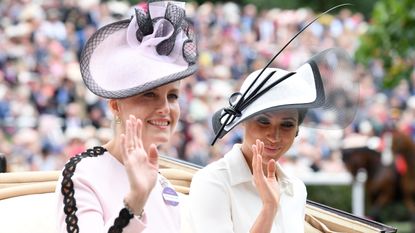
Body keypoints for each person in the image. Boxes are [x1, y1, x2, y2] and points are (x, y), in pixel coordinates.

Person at [55, 0, 197, 232]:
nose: (165, 107)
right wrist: (135, 202)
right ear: (115, 106)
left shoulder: (165, 186)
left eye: (172, 96)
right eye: (149, 95)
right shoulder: (83, 174)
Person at [188, 48, 357, 233]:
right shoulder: (213, 181)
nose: (274, 136)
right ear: (243, 122)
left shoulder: (295, 189)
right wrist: (269, 209)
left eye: (286, 125)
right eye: (263, 121)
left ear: (297, 131)